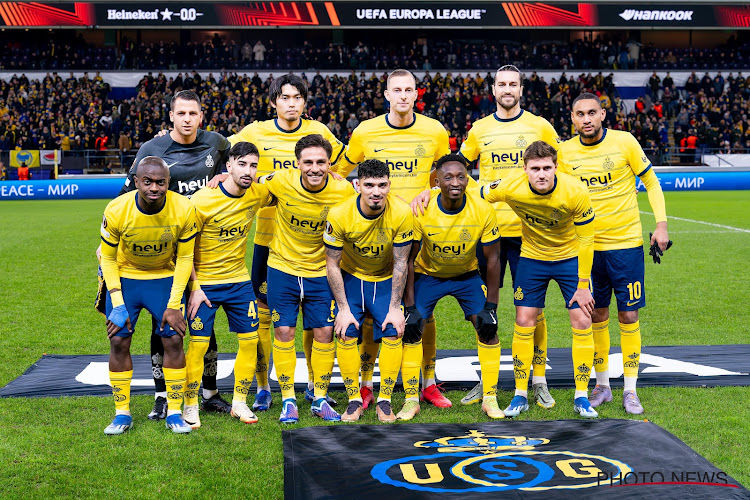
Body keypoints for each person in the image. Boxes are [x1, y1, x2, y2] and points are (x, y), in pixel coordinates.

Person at [99, 90, 231, 421]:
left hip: (205, 246)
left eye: (193, 113)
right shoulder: (152, 150)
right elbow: (128, 195)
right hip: (163, 249)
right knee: (165, 328)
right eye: (181, 113)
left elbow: (240, 161)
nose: (187, 119)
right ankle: (162, 396)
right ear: (170, 116)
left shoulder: (217, 143)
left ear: (202, 116)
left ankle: (209, 391)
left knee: (202, 322)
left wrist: (226, 175)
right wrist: (109, 239)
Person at [334, 68, 451, 411]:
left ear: (417, 94)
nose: (403, 95)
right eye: (396, 90)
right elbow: (340, 173)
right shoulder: (365, 131)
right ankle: (367, 384)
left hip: (421, 230)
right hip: (374, 233)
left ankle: (427, 382)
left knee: (422, 310)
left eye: (409, 90)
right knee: (372, 310)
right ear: (386, 94)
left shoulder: (434, 130)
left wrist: (430, 191)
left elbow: (442, 173)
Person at [228, 74, 346, 412]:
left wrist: (336, 174)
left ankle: (313, 385)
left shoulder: (320, 132)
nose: (291, 103)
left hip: (314, 239)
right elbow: (223, 149)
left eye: (297, 97)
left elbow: (339, 161)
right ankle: (264, 386)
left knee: (316, 319)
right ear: (273, 101)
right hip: (269, 238)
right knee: (268, 319)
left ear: (305, 102)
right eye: (284, 97)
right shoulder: (254, 131)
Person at [558, 93, 669, 414]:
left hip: (627, 246)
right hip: (587, 250)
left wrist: (660, 225)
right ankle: (603, 385)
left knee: (629, 315)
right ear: (573, 118)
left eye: (592, 112)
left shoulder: (625, 142)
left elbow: (651, 182)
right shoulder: (564, 153)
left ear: (603, 114)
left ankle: (631, 390)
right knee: (597, 315)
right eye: (580, 114)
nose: (587, 119)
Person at [458, 64, 561, 408]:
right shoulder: (479, 129)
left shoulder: (539, 126)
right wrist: (477, 191)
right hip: (488, 234)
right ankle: (488, 381)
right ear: (493, 90)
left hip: (530, 234)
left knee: (532, 309)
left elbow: (562, 166)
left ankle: (539, 380)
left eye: (512, 84)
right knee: (482, 307)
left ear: (521, 89)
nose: (507, 89)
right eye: (501, 83)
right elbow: (456, 168)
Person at [479, 140, 597, 418]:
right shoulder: (511, 186)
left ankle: (581, 396)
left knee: (582, 319)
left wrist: (582, 285)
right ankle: (521, 394)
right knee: (523, 320)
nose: (541, 174)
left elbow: (587, 239)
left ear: (556, 167)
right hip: (532, 258)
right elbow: (477, 192)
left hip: (570, 259)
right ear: (525, 169)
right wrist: (435, 191)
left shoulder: (576, 191)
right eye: (535, 168)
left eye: (547, 168)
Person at [260, 134, 355, 423]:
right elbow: (247, 182)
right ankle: (288, 399)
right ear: (298, 163)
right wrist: (221, 176)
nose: (315, 168)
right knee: (284, 332)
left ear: (330, 163)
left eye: (321, 162)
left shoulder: (344, 190)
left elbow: (376, 199)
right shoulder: (280, 181)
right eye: (309, 162)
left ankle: (320, 398)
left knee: (325, 334)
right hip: (282, 268)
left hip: (321, 272)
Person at [100, 156, 197, 435]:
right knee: (118, 340)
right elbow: (107, 259)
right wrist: (117, 303)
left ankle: (175, 412)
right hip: (126, 278)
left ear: (168, 183)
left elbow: (185, 257)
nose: (154, 187)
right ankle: (122, 414)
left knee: (174, 341)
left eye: (160, 182)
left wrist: (175, 303)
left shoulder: (183, 208)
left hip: (164, 279)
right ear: (136, 182)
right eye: (148, 181)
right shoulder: (117, 208)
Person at [184, 141, 276, 428]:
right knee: (198, 346)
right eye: (242, 164)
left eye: (253, 165)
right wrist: (195, 288)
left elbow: (286, 182)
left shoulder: (257, 194)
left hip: (238, 282)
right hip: (205, 285)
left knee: (250, 341)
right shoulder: (201, 200)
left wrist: (334, 175)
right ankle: (189, 404)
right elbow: (185, 250)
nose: (248, 171)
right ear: (228, 166)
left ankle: (239, 401)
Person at [406, 155, 503, 419]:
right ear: (436, 181)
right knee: (412, 327)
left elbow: (493, 260)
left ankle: (490, 398)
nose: (455, 182)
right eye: (448, 177)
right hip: (428, 276)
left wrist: (492, 306)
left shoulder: (482, 210)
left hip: (467, 276)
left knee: (488, 328)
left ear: (468, 179)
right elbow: (409, 260)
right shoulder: (422, 209)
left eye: (461, 176)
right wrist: (409, 305)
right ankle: (411, 397)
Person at [325, 159, 412, 422]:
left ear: (389, 185)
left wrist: (396, 308)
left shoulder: (402, 212)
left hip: (386, 279)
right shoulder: (339, 214)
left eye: (382, 185)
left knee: (394, 330)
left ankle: (384, 400)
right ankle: (353, 400)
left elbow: (401, 262)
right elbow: (332, 263)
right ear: (357, 185)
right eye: (370, 185)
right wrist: (342, 308)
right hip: (353, 278)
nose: (376, 191)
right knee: (345, 332)